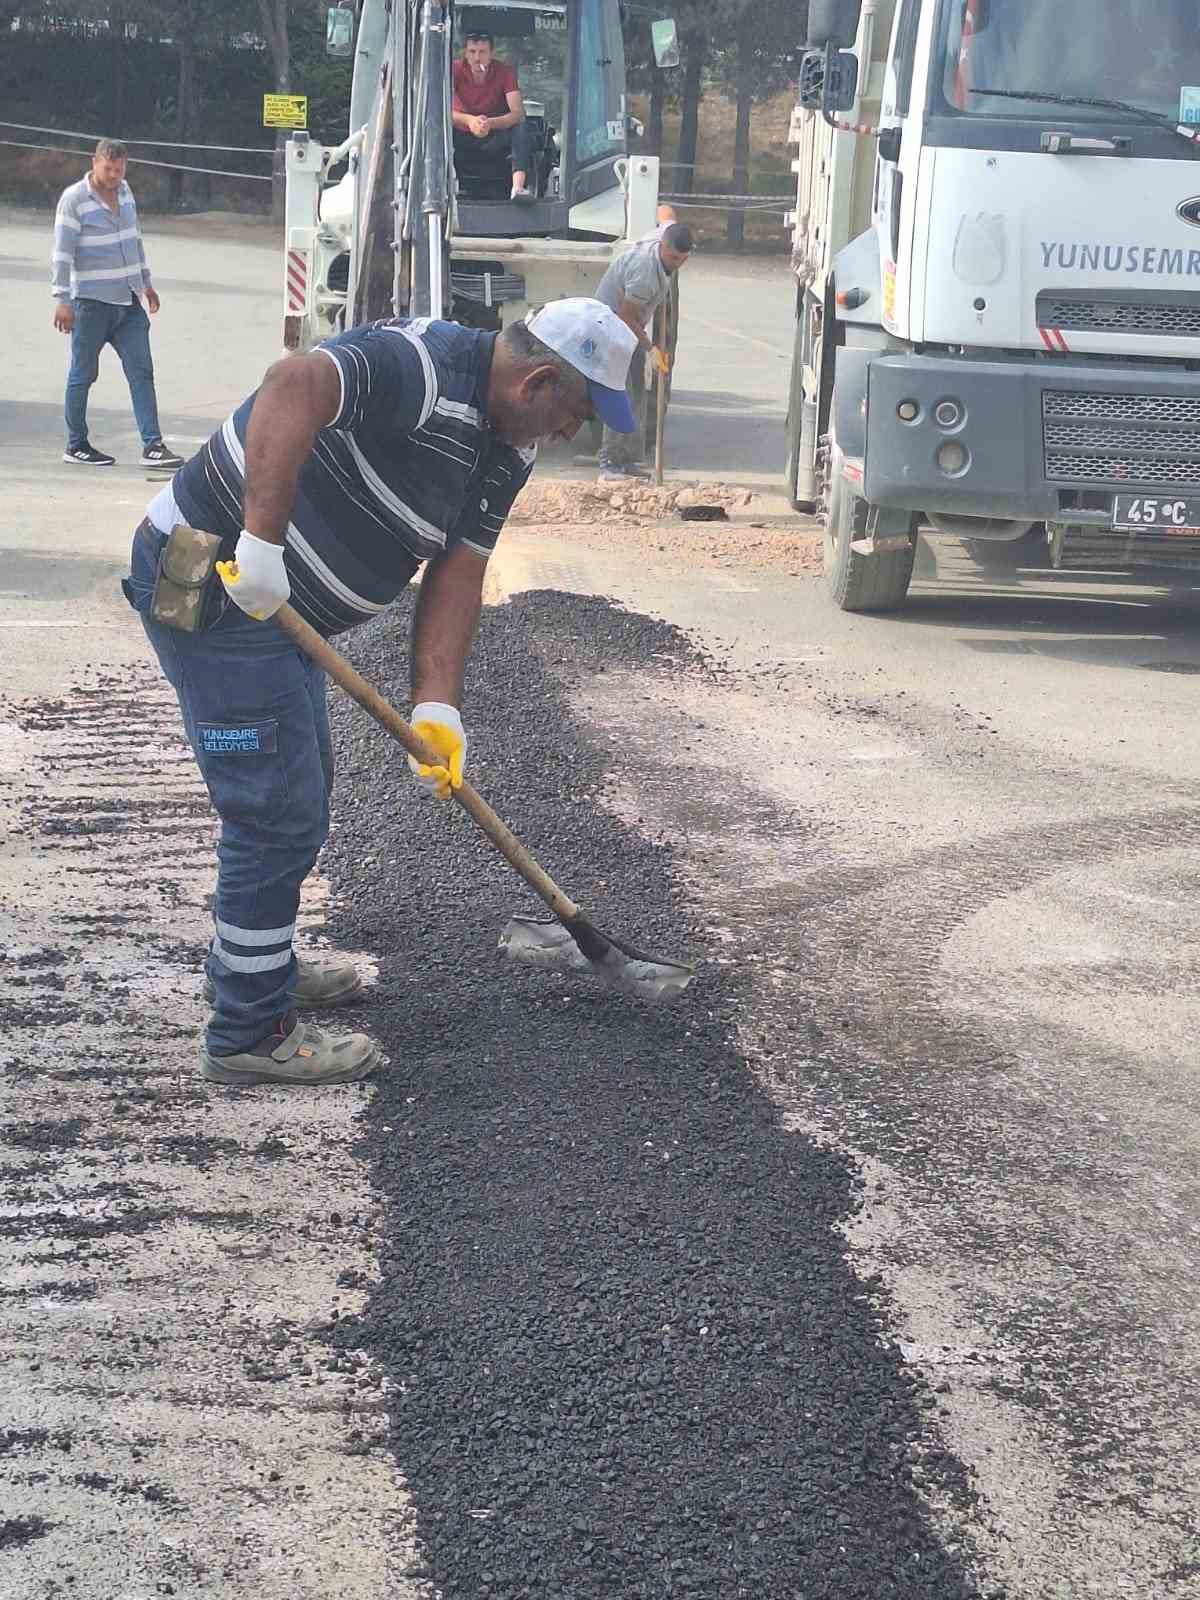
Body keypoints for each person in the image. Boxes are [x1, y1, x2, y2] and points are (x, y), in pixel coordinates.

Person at [122, 299, 637, 1088]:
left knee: (302, 786)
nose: (575, 434)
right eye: (579, 413)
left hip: (284, 620)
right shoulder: (422, 367)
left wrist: (438, 705)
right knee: (276, 809)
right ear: (538, 381)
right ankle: (248, 1033)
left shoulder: (509, 447)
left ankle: (259, 964)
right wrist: (260, 543)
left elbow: (461, 567)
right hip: (220, 587)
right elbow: (292, 385)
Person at [51, 138, 183, 470]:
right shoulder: (74, 200)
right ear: (94, 163)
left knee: (142, 372)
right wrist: (62, 300)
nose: (113, 175)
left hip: (128, 304)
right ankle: (76, 444)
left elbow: (133, 240)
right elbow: (62, 255)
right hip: (90, 305)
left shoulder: (125, 193)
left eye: (119, 168)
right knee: (83, 374)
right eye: (108, 168)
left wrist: (146, 283)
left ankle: (153, 446)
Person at [593, 221, 693, 482]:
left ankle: (625, 459)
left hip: (629, 330)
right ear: (662, 247)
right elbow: (624, 315)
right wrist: (652, 349)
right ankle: (609, 463)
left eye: (682, 260)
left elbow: (668, 216)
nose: (676, 264)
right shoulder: (645, 273)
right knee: (621, 395)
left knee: (638, 393)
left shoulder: (663, 239)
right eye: (672, 258)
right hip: (611, 329)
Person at [452, 30, 534, 202]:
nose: (477, 58)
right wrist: (470, 121)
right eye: (472, 52)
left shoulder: (505, 73)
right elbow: (441, 109)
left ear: (492, 54)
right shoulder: (453, 70)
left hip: (494, 135)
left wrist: (490, 123)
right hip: (461, 134)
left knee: (521, 127)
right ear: (465, 53)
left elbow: (517, 113)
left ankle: (518, 187)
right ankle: (446, 186)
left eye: (482, 52)